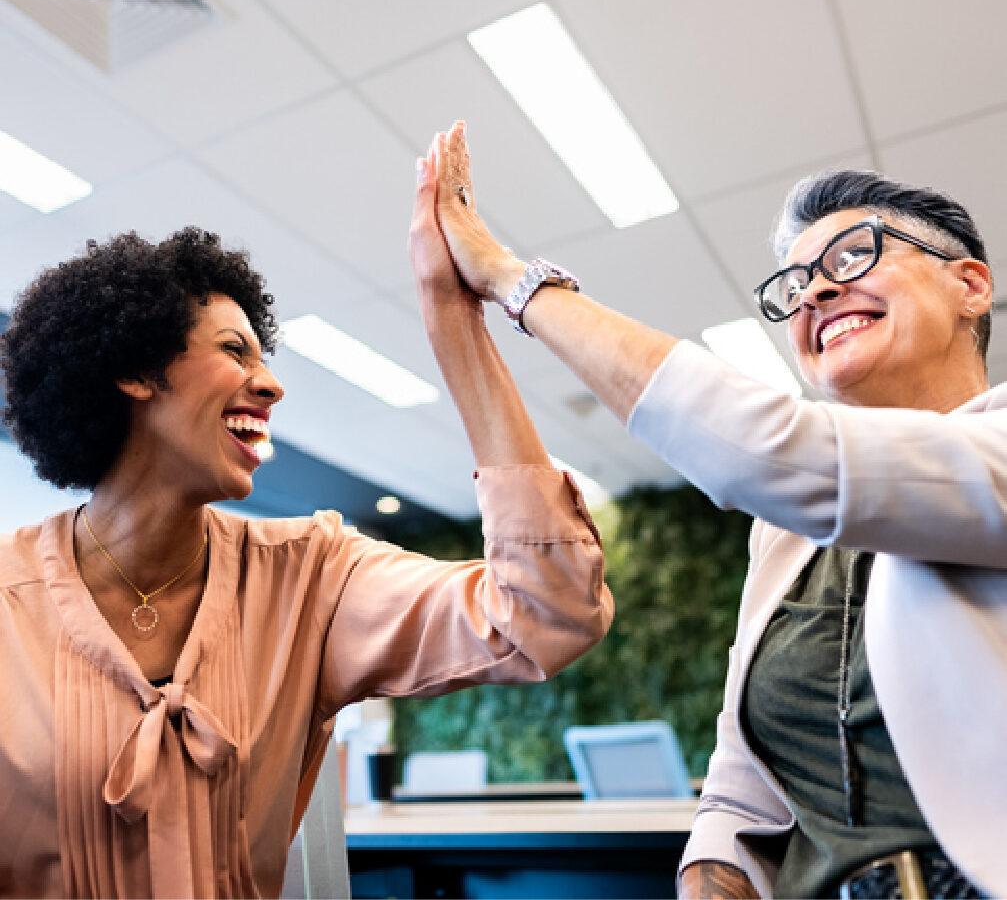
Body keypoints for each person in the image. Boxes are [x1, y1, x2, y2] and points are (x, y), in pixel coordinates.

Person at [0, 143, 613, 898]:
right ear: (133, 370)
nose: (272, 383)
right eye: (235, 350)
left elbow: (545, 612)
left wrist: (454, 322)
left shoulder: (312, 576)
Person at [431, 120, 1005, 899]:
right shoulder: (783, 533)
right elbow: (741, 785)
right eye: (795, 285)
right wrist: (712, 873)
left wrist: (507, 278)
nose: (815, 292)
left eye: (850, 256)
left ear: (969, 284)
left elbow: (777, 454)